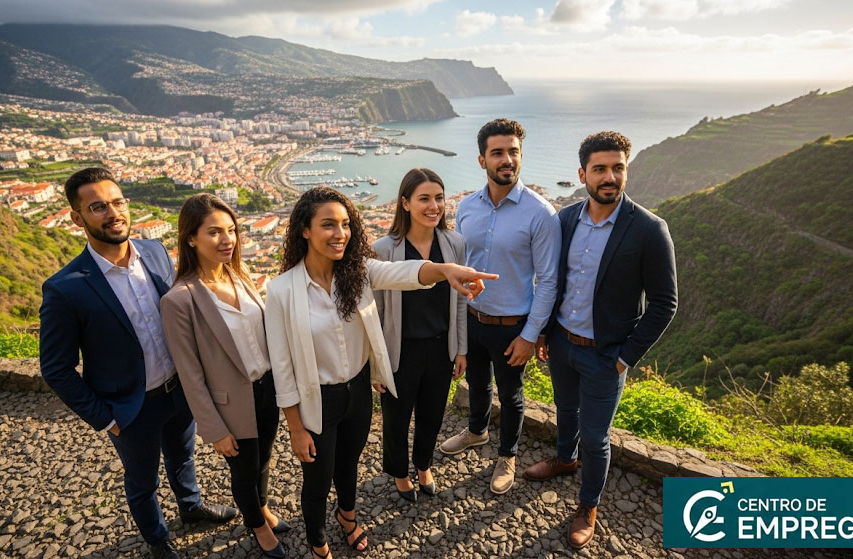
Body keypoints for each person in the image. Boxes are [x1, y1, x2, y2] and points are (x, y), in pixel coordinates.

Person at [264, 187, 495, 559]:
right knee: (317, 480)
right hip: (316, 400)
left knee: (349, 464)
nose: (340, 233)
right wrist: (295, 427)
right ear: (304, 230)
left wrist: (445, 270)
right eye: (328, 225)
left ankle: (347, 516)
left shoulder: (357, 272)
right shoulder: (280, 291)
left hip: (358, 391)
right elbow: (282, 366)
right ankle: (318, 542)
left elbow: (403, 272)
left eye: (345, 224)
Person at [39, 168, 237, 559]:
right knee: (143, 480)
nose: (113, 213)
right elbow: (56, 368)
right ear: (77, 218)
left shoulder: (154, 251)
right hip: (129, 407)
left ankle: (191, 507)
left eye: (117, 202)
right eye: (98, 207)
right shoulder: (65, 288)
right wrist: (104, 418)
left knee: (183, 457)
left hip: (178, 389)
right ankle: (157, 539)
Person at [527, 131, 678, 548]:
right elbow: (553, 281)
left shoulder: (649, 229)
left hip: (606, 355)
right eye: (600, 169)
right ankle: (565, 459)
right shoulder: (565, 220)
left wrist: (625, 357)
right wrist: (545, 332)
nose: (609, 177)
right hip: (562, 343)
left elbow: (665, 303)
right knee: (565, 410)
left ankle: (588, 505)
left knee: (596, 437)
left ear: (626, 171)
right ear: (583, 174)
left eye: (617, 168)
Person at [160, 193, 287, 559]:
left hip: (266, 389)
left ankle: (262, 507)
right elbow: (190, 374)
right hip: (230, 404)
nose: (227, 239)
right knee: (244, 471)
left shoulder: (240, 277)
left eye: (231, 230)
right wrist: (214, 429)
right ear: (191, 238)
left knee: (263, 459)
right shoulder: (179, 301)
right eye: (214, 232)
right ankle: (257, 525)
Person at [439, 118, 560, 495]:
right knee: (477, 383)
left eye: (513, 152)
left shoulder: (541, 213)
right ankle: (477, 431)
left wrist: (530, 335)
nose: (507, 159)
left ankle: (507, 455)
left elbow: (549, 281)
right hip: (473, 317)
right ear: (482, 160)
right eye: (497, 153)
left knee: (510, 394)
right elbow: (461, 264)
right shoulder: (466, 208)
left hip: (513, 325)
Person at [373, 168, 467, 503]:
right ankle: (399, 472)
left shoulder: (454, 243)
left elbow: (460, 302)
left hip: (441, 348)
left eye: (439, 198)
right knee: (396, 421)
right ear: (405, 203)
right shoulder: (384, 249)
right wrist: (376, 364)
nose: (434, 206)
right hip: (399, 351)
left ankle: (423, 465)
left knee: (432, 415)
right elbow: (375, 312)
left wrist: (461, 349)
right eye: (424, 198)